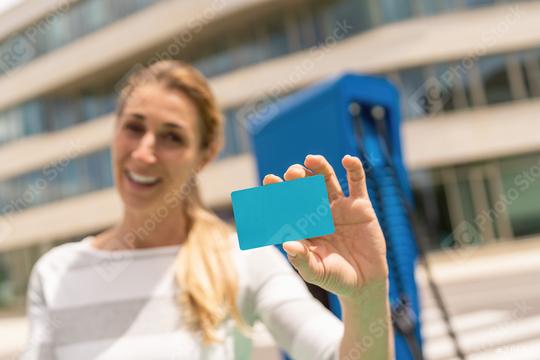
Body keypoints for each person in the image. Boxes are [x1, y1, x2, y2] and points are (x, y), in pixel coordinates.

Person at [21, 61, 393, 360]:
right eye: (134, 127)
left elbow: (335, 353)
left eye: (172, 136)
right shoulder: (55, 272)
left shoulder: (241, 257)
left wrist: (366, 297)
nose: (144, 152)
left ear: (205, 155)